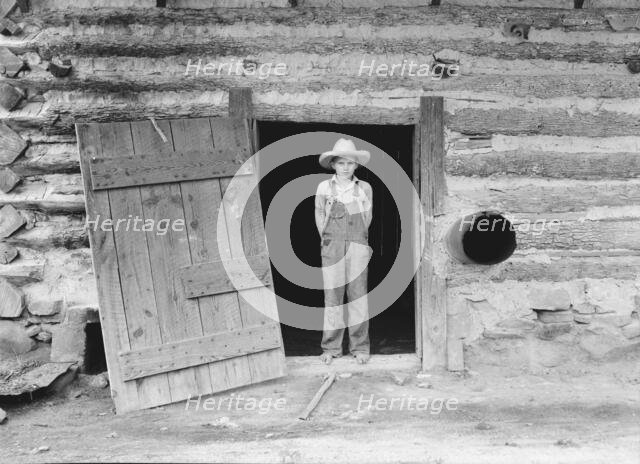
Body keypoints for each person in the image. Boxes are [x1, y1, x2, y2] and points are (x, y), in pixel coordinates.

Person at [315, 138, 373, 365]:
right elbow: (320, 215)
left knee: (358, 297)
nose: (346, 167)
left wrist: (356, 241)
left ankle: (360, 347)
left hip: (357, 245)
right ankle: (331, 348)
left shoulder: (364, 188)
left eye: (350, 163)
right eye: (341, 163)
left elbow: (367, 219)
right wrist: (329, 241)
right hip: (332, 246)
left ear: (356, 165)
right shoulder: (324, 187)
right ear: (333, 165)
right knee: (333, 298)